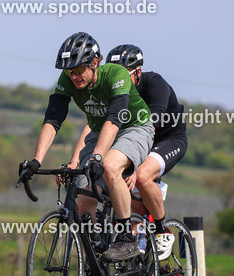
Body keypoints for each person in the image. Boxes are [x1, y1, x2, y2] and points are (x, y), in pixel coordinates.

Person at [21, 32, 154, 261]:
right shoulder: (68, 79)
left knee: (110, 166)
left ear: (95, 63)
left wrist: (98, 158)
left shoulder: (117, 75)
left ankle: (126, 240)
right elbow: (53, 120)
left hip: (133, 127)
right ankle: (95, 270)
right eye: (70, 71)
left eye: (79, 69)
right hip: (99, 131)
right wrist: (36, 160)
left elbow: (114, 120)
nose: (74, 76)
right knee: (83, 202)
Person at [104, 44, 188, 262]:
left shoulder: (155, 83)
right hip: (137, 141)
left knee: (141, 176)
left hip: (167, 139)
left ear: (138, 72)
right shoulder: (115, 89)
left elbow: (152, 121)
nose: (118, 80)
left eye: (124, 75)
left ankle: (162, 231)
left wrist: (135, 162)